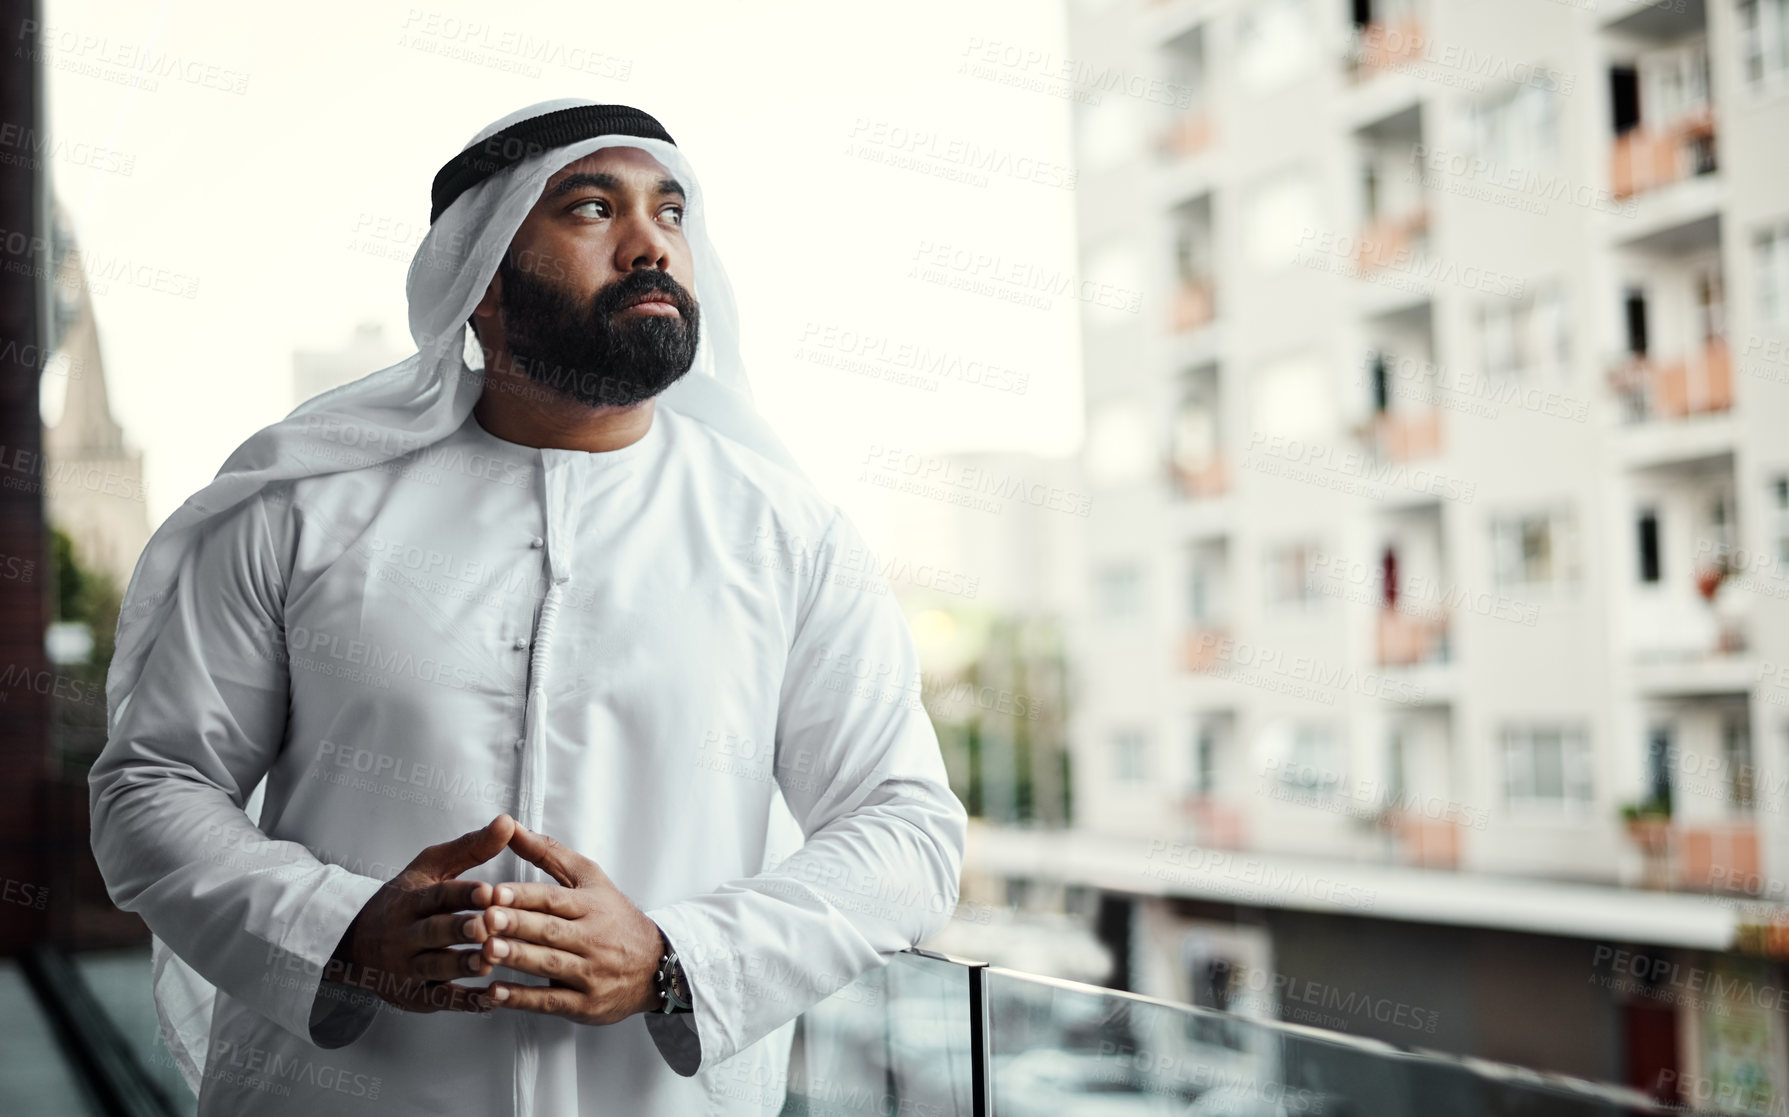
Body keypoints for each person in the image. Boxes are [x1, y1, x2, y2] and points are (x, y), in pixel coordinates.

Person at [87, 99, 968, 1116]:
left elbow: (905, 828)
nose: (651, 245)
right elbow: (152, 786)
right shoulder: (301, 509)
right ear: (480, 279)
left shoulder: (787, 534)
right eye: (593, 209)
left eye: (671, 212)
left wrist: (676, 960)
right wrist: (338, 932)